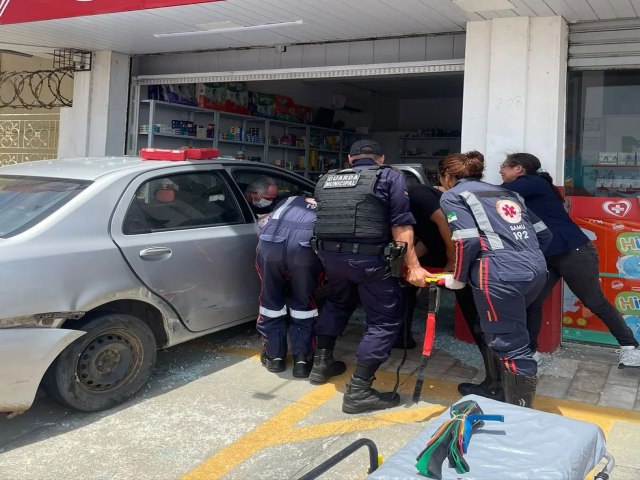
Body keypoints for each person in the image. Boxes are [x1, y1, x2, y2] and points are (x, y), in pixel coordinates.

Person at [310, 139, 430, 414]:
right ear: (381, 157)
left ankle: (321, 365)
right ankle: (359, 391)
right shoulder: (390, 176)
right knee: (384, 321)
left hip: (330, 258)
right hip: (369, 261)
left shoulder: (326, 179)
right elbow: (401, 225)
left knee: (339, 303)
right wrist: (413, 267)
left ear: (350, 159)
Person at [500, 152, 640, 367]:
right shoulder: (532, 185)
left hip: (574, 252)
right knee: (533, 302)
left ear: (518, 169)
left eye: (504, 167)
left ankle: (631, 349)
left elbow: (494, 195)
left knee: (595, 302)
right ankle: (530, 352)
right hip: (548, 255)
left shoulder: (531, 182)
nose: (501, 170)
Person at [437, 151, 552, 408]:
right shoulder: (508, 193)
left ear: (448, 175)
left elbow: (466, 239)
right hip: (535, 269)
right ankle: (494, 387)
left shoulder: (453, 195)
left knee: (510, 343)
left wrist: (458, 278)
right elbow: (544, 235)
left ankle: (518, 413)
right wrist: (522, 258)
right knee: (489, 326)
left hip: (500, 274)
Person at [404, 183, 501, 400]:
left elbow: (446, 226)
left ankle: (496, 384)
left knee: (479, 322)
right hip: (468, 259)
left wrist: (453, 261)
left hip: (471, 261)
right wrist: (411, 265)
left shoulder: (418, 194)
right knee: (479, 322)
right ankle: (497, 381)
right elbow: (428, 239)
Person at [255, 195, 323, 378]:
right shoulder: (329, 204)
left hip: (270, 243)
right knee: (303, 303)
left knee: (270, 302)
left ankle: (274, 357)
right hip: (304, 247)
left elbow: (262, 223)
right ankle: (302, 360)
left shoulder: (290, 200)